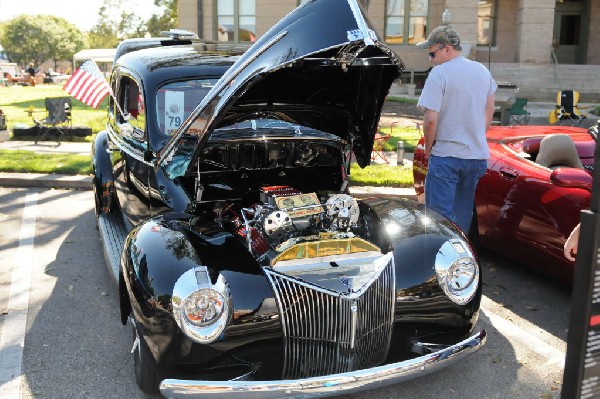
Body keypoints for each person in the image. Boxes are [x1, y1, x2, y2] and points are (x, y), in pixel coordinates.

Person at [416, 26, 497, 233]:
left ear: (447, 49)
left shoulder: (439, 74)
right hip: (476, 157)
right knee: (462, 217)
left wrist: (428, 148)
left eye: (432, 53)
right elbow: (490, 110)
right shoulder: (482, 71)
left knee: (438, 221)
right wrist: (477, 134)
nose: (431, 59)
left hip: (447, 156)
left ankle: (439, 261)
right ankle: (462, 261)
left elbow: (430, 120)